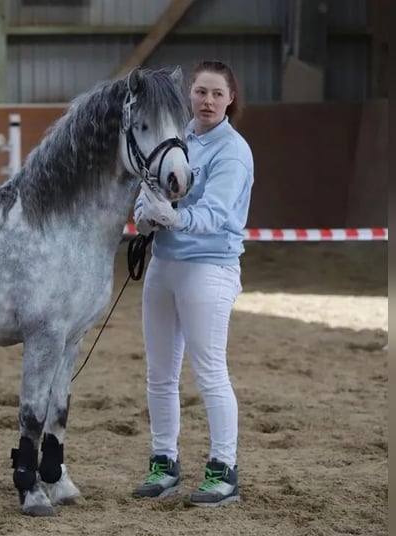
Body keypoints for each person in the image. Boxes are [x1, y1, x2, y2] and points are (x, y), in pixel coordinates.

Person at [131, 60, 254, 507]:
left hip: (209, 268)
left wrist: (176, 217)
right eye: (201, 92)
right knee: (159, 373)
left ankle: (224, 469)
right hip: (165, 264)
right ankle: (164, 460)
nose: (207, 101)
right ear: (191, 95)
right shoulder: (178, 137)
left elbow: (218, 213)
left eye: (216, 94)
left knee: (209, 371)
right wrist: (145, 215)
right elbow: (153, 184)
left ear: (230, 99)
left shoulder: (233, 152)